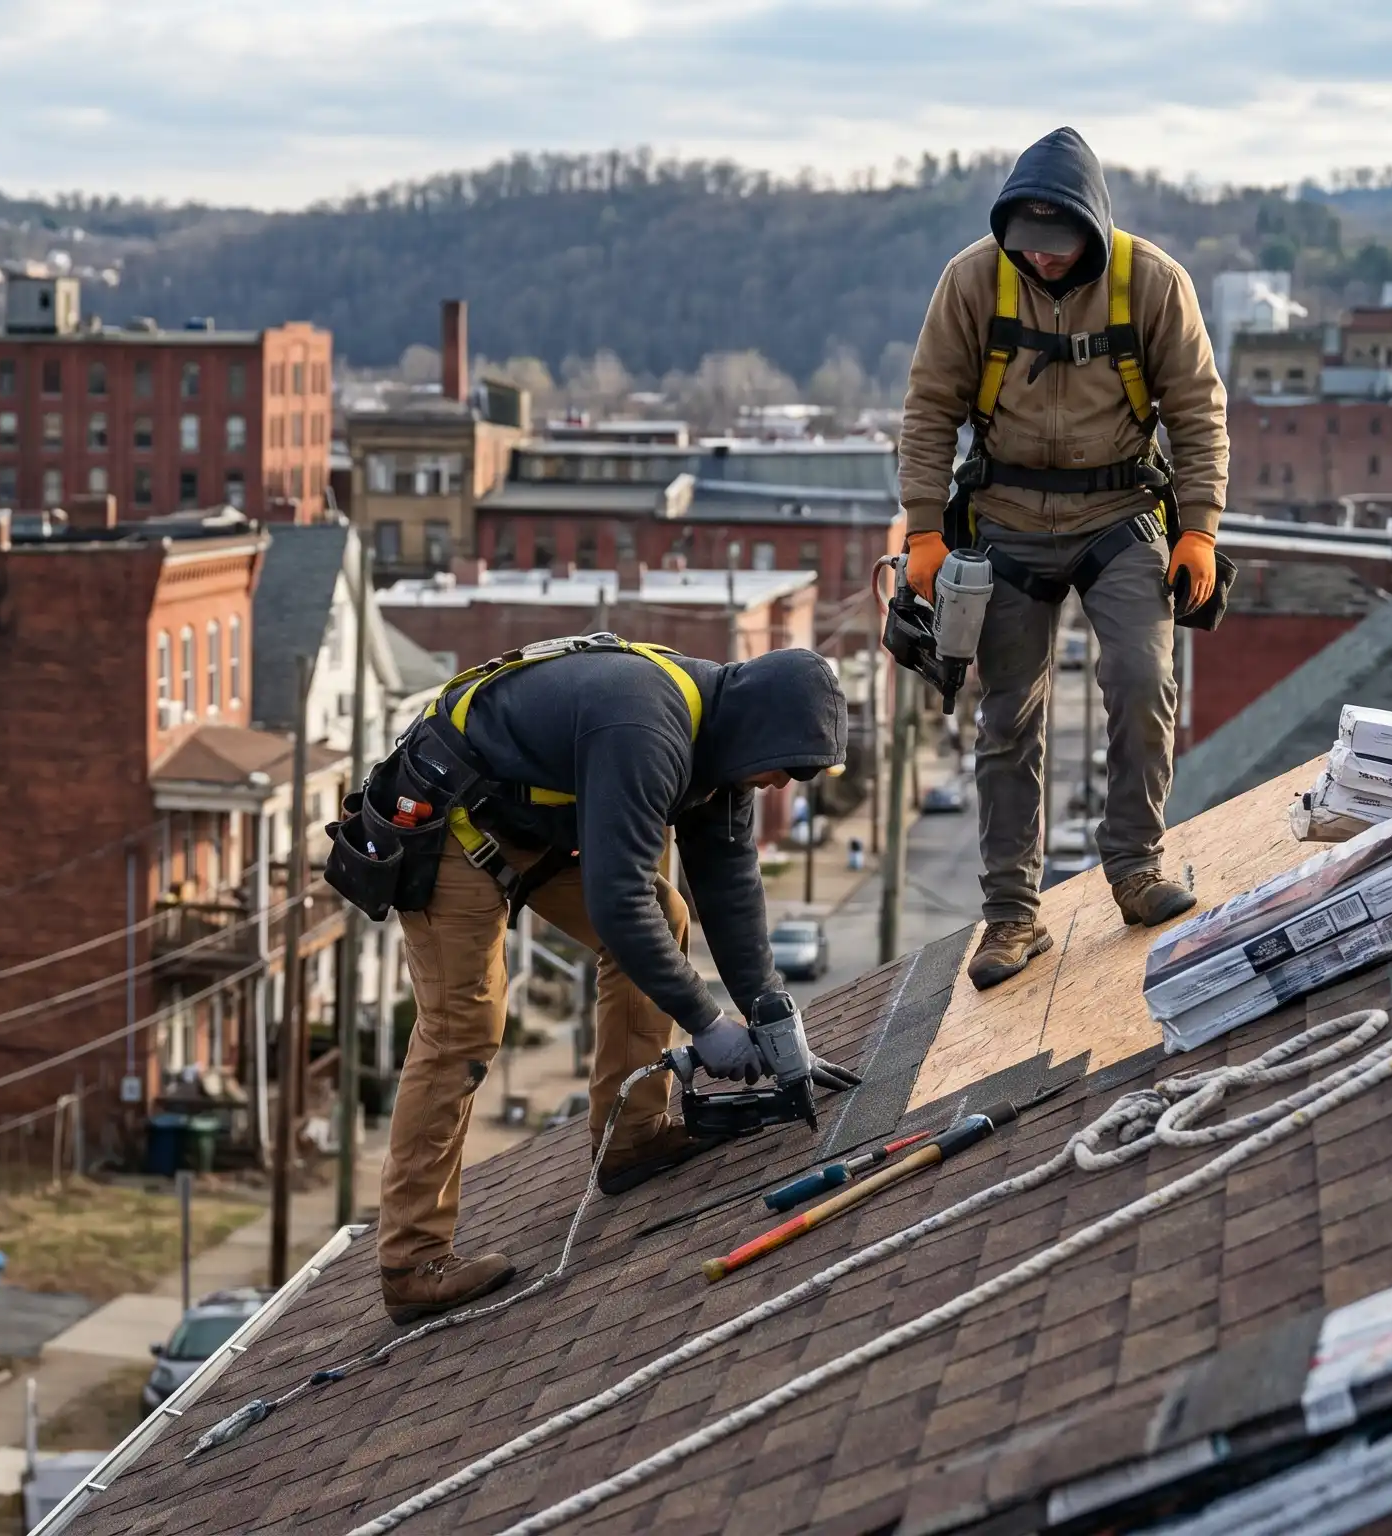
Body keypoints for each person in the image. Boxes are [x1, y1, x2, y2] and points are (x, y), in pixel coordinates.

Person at [371, 640, 850, 1322]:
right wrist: (709, 1025)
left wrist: (773, 1016)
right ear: (754, 729)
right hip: (452, 815)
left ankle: (632, 1135)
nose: (781, 787)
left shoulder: (724, 755)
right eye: (784, 769)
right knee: (464, 1026)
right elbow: (614, 899)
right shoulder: (645, 727)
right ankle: (412, 1261)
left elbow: (732, 893)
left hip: (529, 814)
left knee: (668, 915)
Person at [898, 126, 1230, 991]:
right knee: (1007, 716)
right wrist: (924, 530)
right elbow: (930, 406)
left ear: (1092, 230)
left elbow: (1197, 410)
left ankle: (1136, 868)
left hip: (1118, 511)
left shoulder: (1151, 283)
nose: (1042, 264)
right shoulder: (974, 280)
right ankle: (1011, 916)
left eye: (1058, 249)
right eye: (1028, 250)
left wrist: (1198, 527)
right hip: (1003, 518)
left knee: (1140, 674)